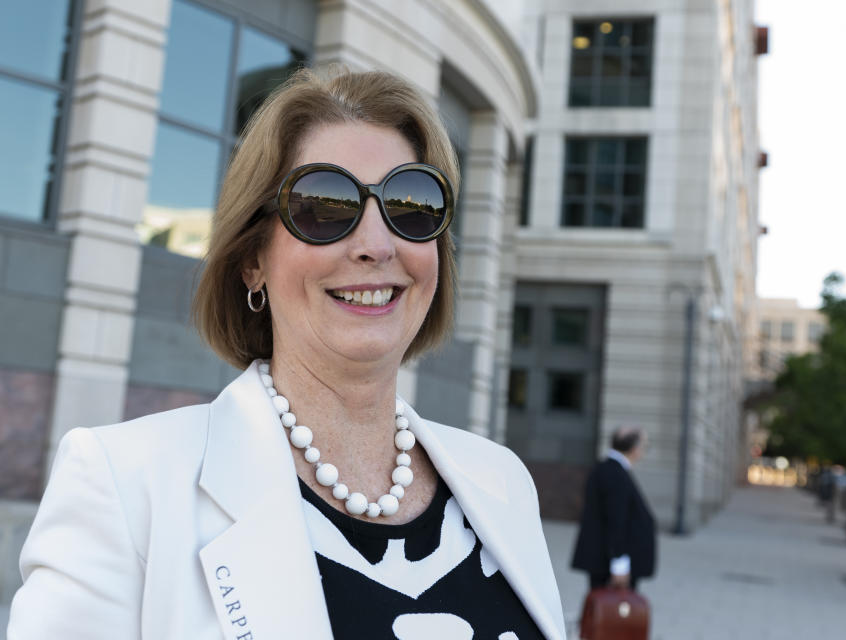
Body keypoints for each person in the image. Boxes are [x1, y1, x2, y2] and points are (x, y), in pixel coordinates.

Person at [7, 68, 564, 640]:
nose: (376, 245)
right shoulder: (125, 489)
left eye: (410, 203)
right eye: (324, 207)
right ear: (253, 260)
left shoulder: (502, 483)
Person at [571, 427, 657, 591]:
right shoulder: (615, 474)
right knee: (610, 611)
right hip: (609, 563)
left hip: (604, 558)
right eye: (644, 446)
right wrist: (619, 565)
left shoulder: (606, 469)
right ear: (634, 448)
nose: (643, 451)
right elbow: (616, 521)